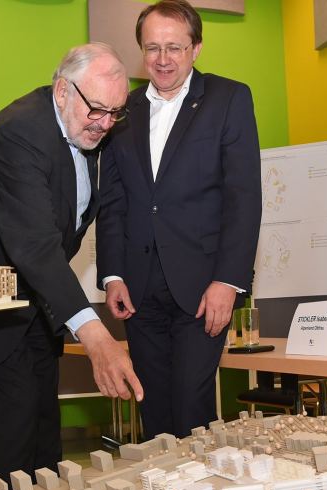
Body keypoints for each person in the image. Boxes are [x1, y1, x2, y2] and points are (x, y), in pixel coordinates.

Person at [0, 43, 144, 490]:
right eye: (95, 110)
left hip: (39, 311)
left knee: (45, 455)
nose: (105, 123)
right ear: (63, 90)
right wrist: (96, 333)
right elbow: (35, 245)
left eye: (114, 112)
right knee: (10, 462)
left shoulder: (92, 129)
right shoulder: (22, 132)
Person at [97, 0, 262, 439]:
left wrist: (228, 281)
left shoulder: (229, 99)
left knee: (192, 409)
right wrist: (112, 273)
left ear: (196, 48)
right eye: (153, 48)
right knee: (152, 409)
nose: (163, 59)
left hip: (204, 288)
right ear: (141, 52)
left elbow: (243, 198)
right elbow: (113, 201)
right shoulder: (122, 111)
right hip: (139, 290)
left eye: (175, 47)